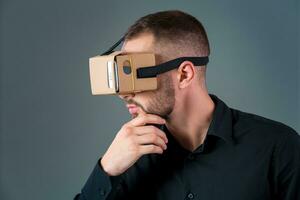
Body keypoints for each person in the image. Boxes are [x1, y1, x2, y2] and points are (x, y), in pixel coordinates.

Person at [75, 10, 300, 200]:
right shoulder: (128, 158)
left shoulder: (277, 148)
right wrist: (107, 170)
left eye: (135, 74)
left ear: (184, 74)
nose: (124, 94)